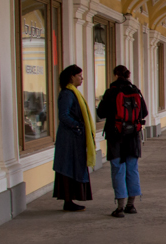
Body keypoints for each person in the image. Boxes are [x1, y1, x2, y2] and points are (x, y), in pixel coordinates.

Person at [96, 65, 148, 218]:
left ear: (115, 75)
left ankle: (119, 207)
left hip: (115, 135)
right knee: (132, 168)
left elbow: (101, 113)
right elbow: (144, 112)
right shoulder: (135, 91)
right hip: (133, 136)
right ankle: (131, 205)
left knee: (118, 169)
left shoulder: (111, 92)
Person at [53, 65, 94, 211]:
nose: (82, 78)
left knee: (73, 166)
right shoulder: (67, 94)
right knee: (69, 168)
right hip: (69, 139)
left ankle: (70, 200)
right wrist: (78, 126)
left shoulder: (73, 93)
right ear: (72, 76)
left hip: (74, 137)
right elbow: (64, 115)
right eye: (79, 76)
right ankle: (68, 200)